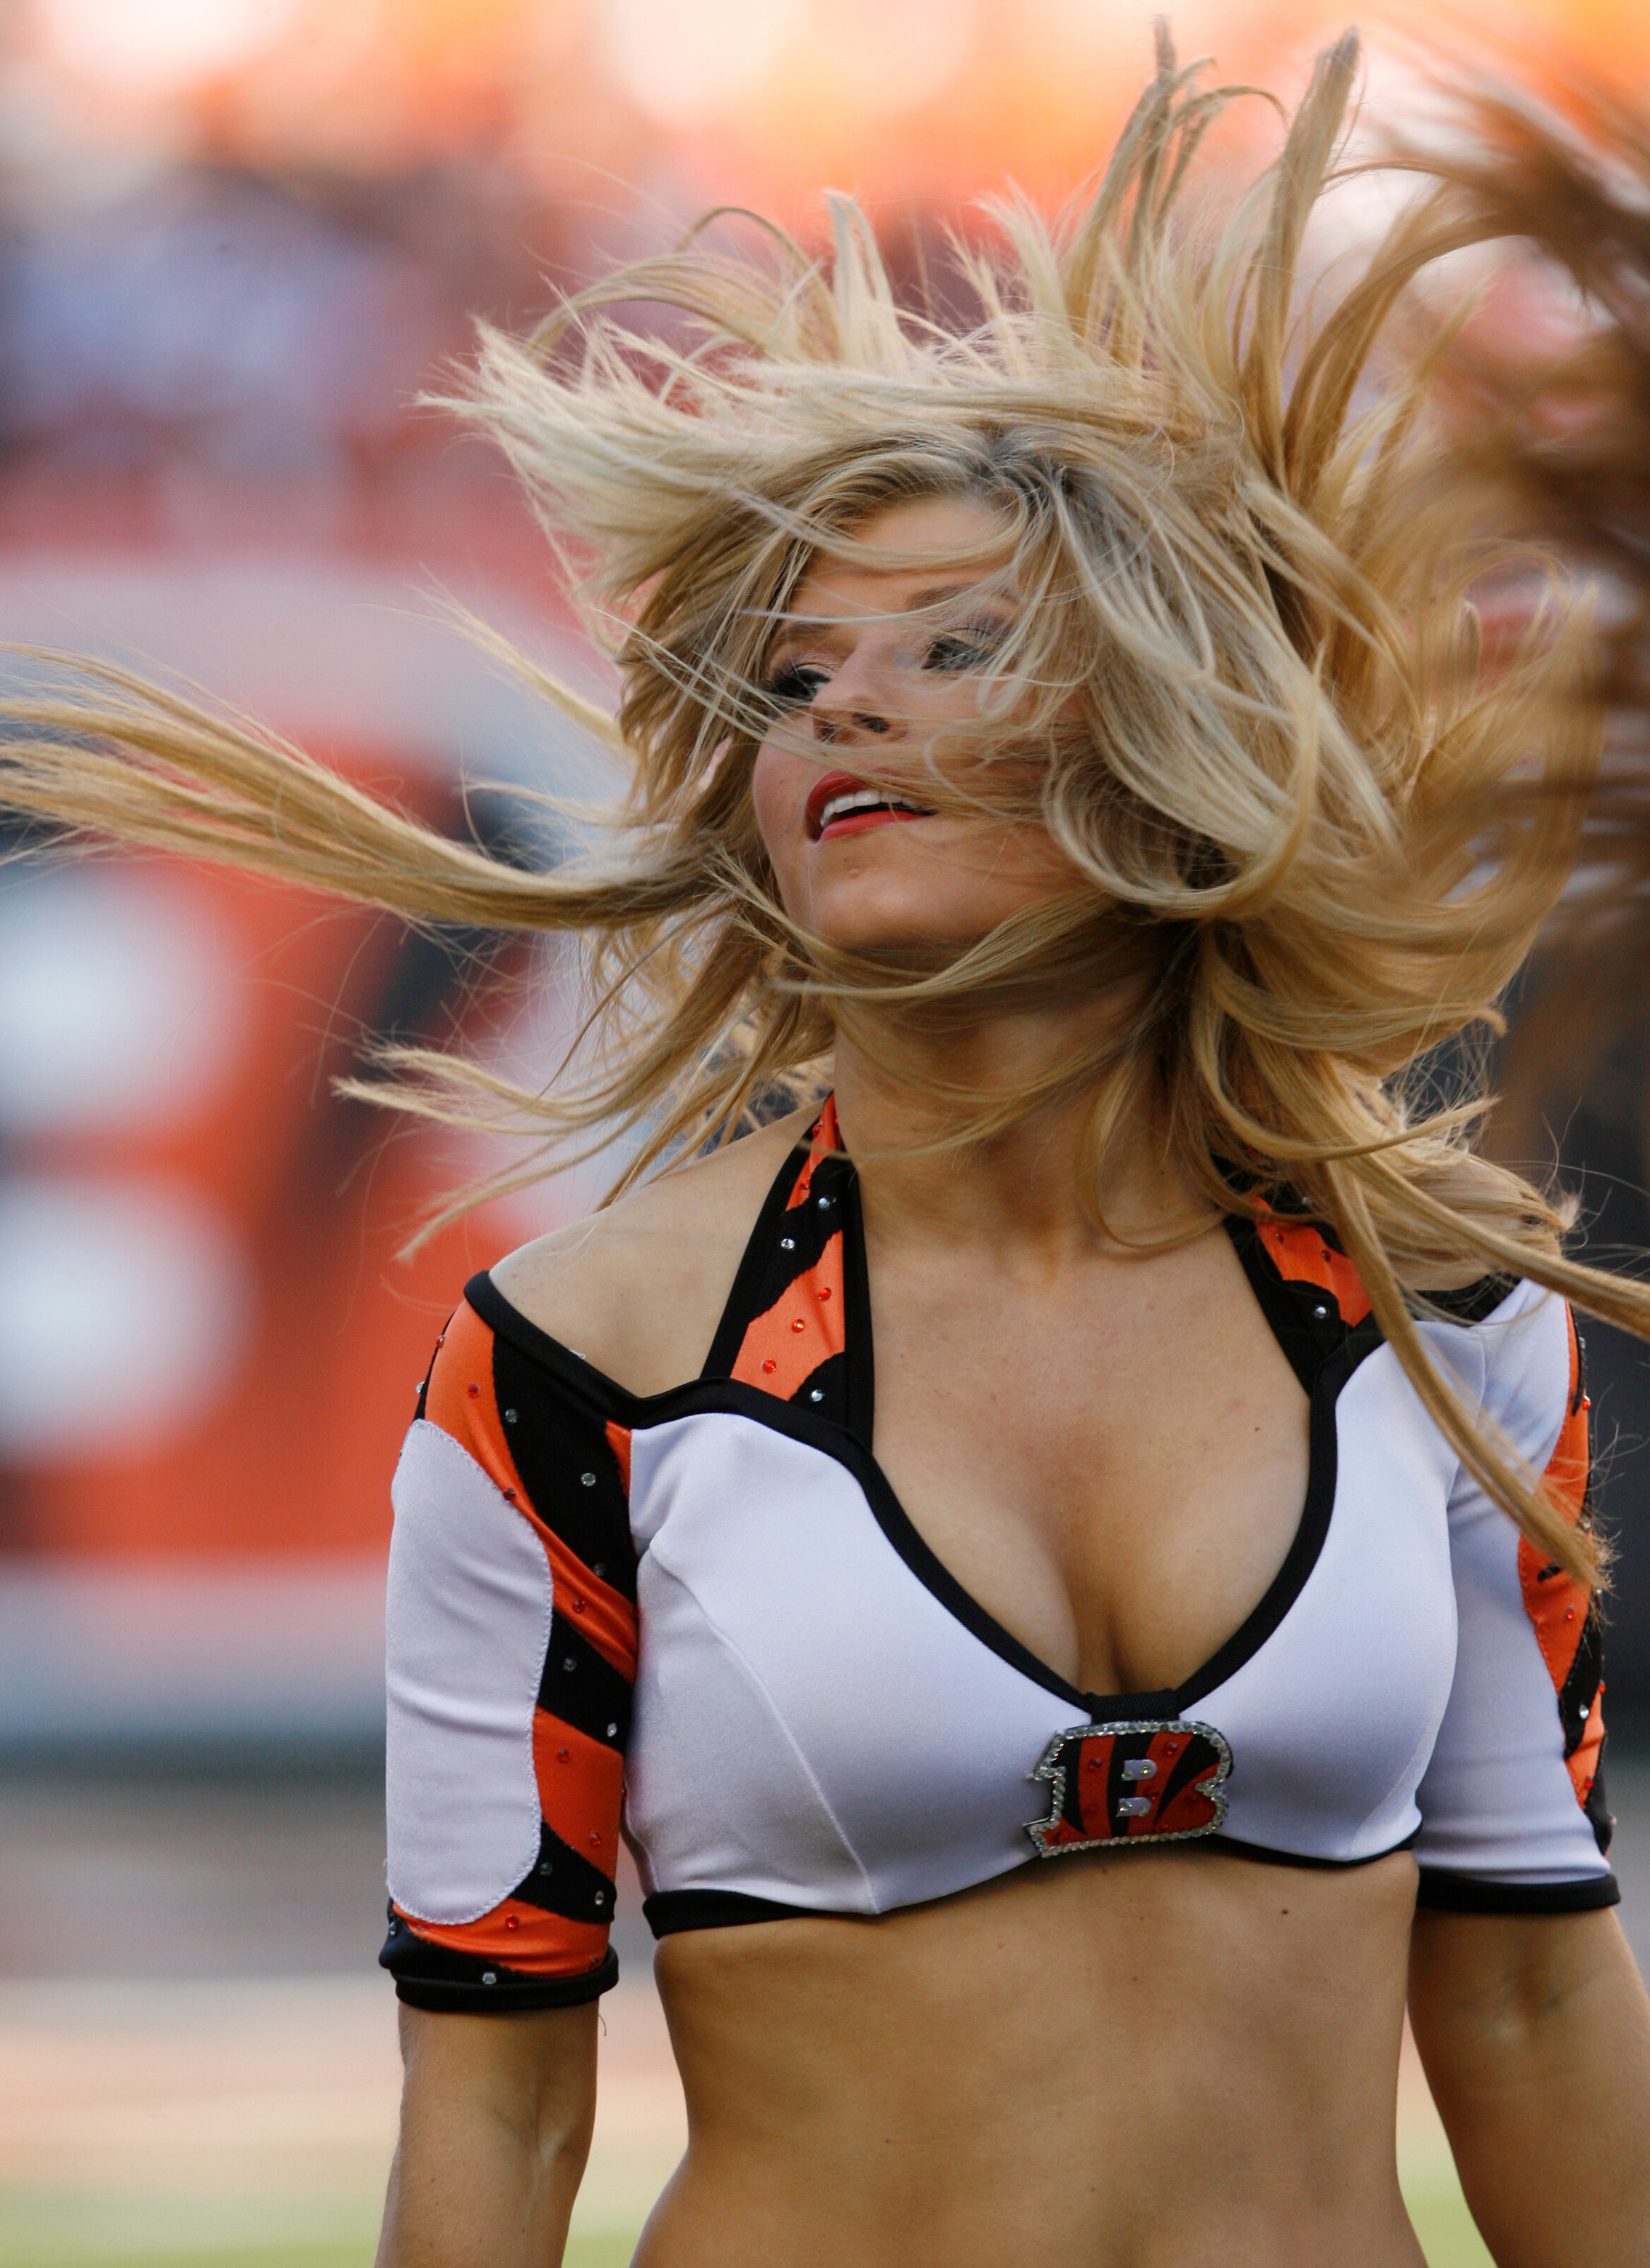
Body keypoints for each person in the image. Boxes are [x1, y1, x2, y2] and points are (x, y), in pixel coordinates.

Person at [6, 31, 1650, 2267]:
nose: (845, 707)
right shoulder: (583, 1363)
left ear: (1161, 739)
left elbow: (1536, 1990)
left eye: (954, 646)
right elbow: (498, 2104)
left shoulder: (1437, 1312)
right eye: (791, 681)